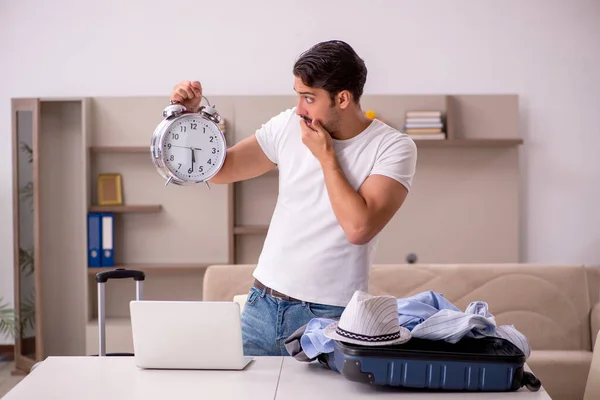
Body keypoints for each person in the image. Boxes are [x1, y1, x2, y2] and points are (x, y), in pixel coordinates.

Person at [170, 40, 417, 356]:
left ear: (342, 98)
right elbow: (221, 170)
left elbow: (359, 228)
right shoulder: (288, 124)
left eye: (309, 98)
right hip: (262, 305)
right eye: (299, 95)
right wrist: (193, 118)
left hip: (328, 317)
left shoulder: (393, 147)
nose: (300, 108)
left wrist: (327, 157)